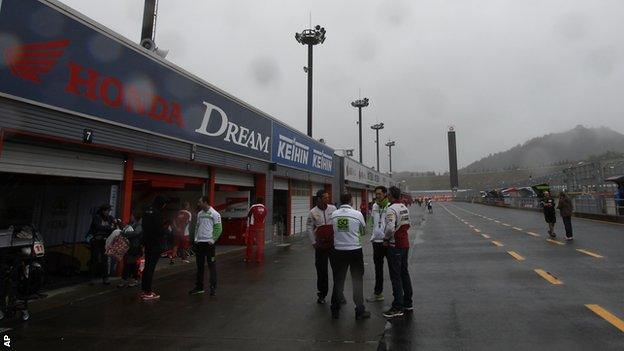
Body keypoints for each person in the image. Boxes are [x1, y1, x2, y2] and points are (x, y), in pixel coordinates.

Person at [329, 193, 371, 320]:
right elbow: (364, 231)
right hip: (354, 250)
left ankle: (335, 310)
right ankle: (359, 310)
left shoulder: (334, 214)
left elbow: (333, 229)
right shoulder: (357, 214)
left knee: (338, 280)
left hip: (338, 250)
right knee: (357, 280)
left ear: (341, 201)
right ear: (351, 201)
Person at [382, 186, 413, 319]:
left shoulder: (391, 208)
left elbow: (389, 227)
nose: (386, 196)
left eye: (388, 194)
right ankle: (408, 303)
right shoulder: (404, 207)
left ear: (391, 195)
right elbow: (409, 224)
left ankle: (397, 307)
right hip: (405, 243)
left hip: (395, 245)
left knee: (396, 276)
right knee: (404, 273)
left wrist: (386, 238)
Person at [306, 189, 337, 304]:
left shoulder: (333, 209)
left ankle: (339, 294)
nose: (328, 199)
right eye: (325, 197)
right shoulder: (313, 212)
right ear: (319, 199)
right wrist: (313, 242)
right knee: (322, 271)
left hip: (333, 245)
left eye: (328, 197)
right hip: (320, 246)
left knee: (337, 270)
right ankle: (322, 295)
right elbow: (309, 227)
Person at [189, 196, 222, 296]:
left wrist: (212, 240)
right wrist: (195, 239)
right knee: (199, 266)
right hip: (200, 243)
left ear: (205, 202)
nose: (198, 204)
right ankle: (199, 287)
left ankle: (213, 287)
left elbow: (219, 228)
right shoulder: (199, 214)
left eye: (200, 202)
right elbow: (197, 227)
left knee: (211, 266)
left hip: (209, 244)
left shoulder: (215, 214)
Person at [140, 195, 169, 301]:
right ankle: (148, 292)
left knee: (147, 267)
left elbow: (145, 227)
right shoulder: (158, 214)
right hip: (155, 244)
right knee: (150, 268)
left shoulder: (146, 211)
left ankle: (144, 290)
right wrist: (166, 230)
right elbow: (159, 230)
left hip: (147, 242)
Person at [366, 186, 390, 303]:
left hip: (388, 242)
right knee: (378, 269)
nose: (377, 196)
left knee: (394, 270)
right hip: (376, 242)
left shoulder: (390, 205)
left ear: (385, 194)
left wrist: (387, 237)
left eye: (379, 194)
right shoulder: (374, 206)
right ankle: (378, 293)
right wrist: (373, 234)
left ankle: (398, 298)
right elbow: (372, 221)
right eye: (376, 194)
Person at [87, 204, 115, 285]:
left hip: (105, 241)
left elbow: (114, 225)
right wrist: (109, 227)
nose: (108, 212)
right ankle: (91, 278)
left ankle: (105, 278)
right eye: (107, 210)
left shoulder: (110, 218)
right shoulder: (97, 217)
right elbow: (98, 227)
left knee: (105, 260)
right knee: (94, 259)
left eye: (109, 211)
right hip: (96, 240)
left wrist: (112, 226)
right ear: (103, 211)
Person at [118, 214, 143, 288]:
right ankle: (129, 279)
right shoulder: (132, 224)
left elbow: (136, 233)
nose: (130, 217)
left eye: (132, 216)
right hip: (130, 246)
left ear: (135, 217)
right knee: (129, 264)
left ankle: (131, 279)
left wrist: (125, 234)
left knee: (130, 264)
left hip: (134, 247)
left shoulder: (139, 225)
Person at [246, 197, 268, 263]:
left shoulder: (253, 207)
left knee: (250, 243)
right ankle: (259, 259)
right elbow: (264, 219)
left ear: (256, 201)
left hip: (252, 228)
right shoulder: (265, 209)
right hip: (260, 228)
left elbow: (248, 216)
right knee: (260, 244)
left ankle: (248, 258)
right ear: (262, 202)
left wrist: (247, 227)